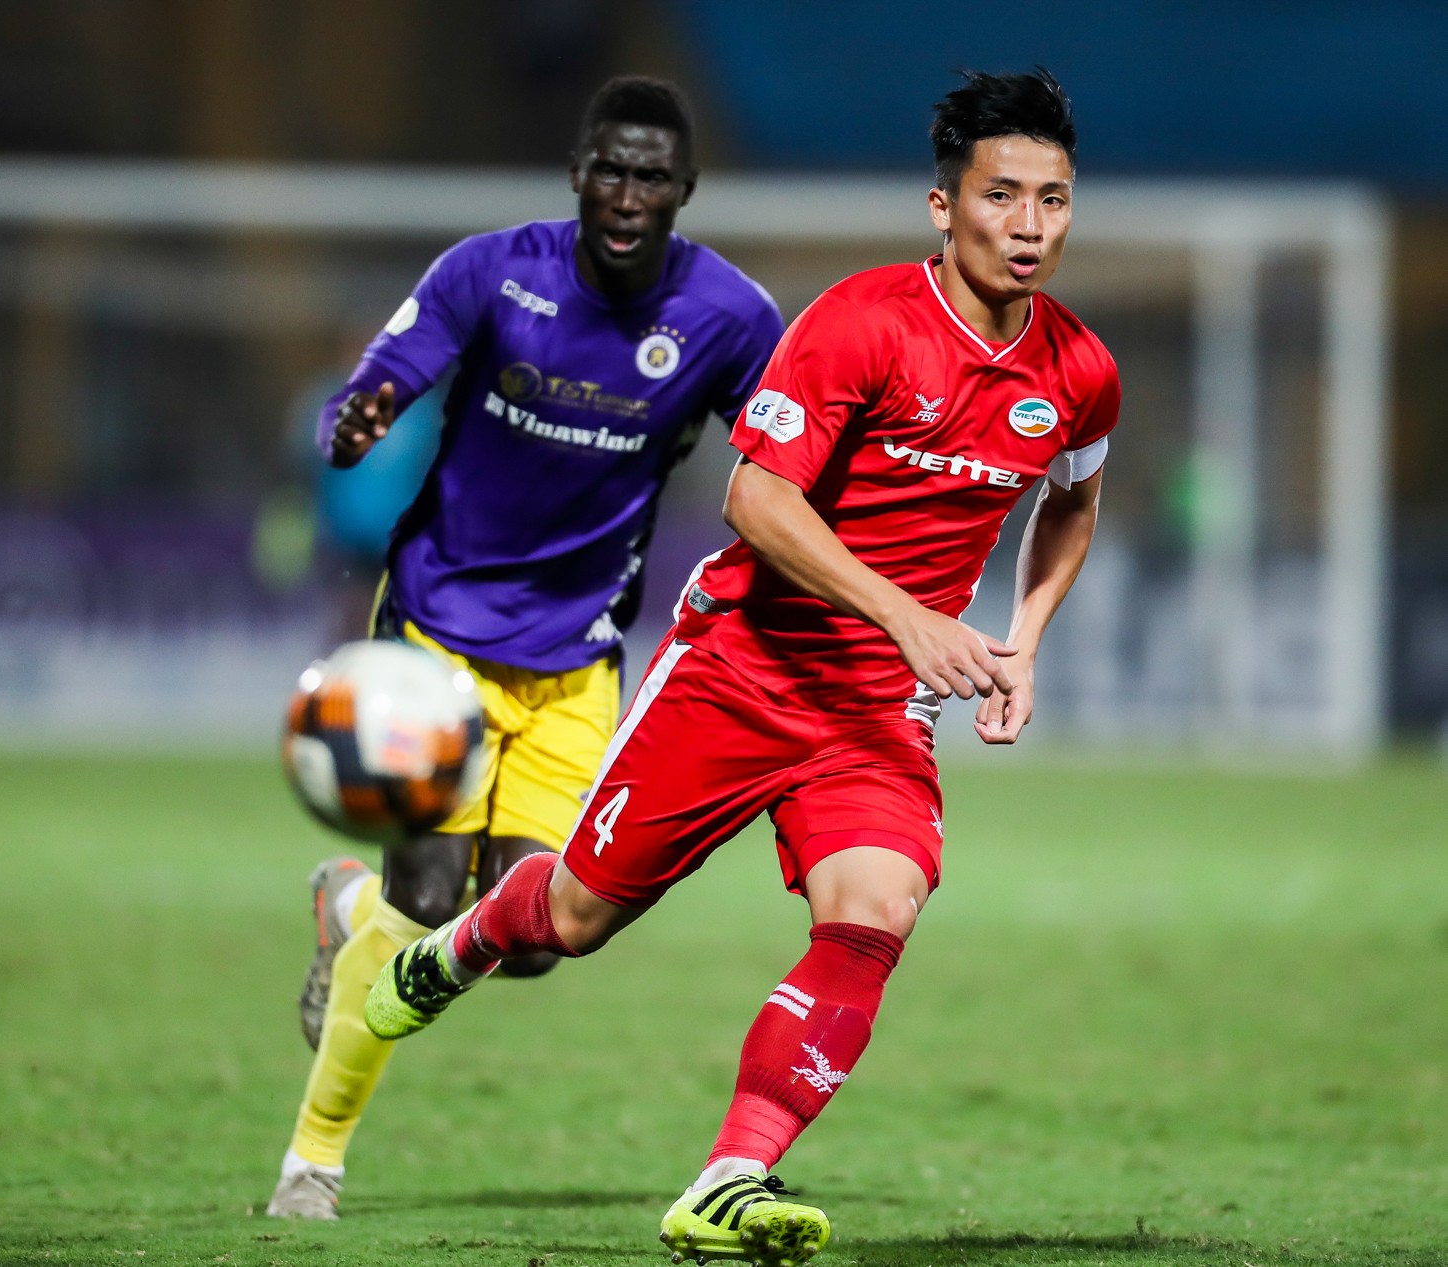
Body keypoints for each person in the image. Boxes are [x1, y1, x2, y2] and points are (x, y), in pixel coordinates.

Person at [366, 69, 1119, 1266]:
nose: (1029, 225)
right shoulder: (858, 324)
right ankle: (453, 948)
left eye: (1054, 201)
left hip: (874, 709)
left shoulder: (1078, 371)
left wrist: (1021, 637)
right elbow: (756, 498)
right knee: (571, 916)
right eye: (1003, 197)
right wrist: (905, 613)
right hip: (741, 668)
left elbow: (1073, 503)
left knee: (878, 906)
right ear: (943, 204)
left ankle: (730, 1175)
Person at [268, 75, 786, 1220]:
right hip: (435, 631)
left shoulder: (733, 319)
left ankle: (340, 907)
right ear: (576, 171)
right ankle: (313, 1161)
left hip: (577, 657)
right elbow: (377, 385)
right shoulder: (490, 270)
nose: (627, 193)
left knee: (538, 932)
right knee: (425, 892)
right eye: (609, 167)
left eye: (651, 175)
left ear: (684, 191)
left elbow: (793, 460)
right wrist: (353, 423)